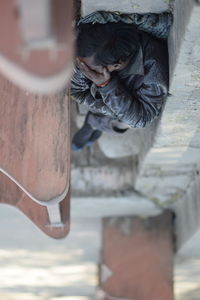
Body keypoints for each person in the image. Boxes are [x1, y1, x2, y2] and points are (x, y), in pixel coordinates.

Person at [71, 21, 169, 151]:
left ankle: (93, 124)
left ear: (116, 65)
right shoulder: (90, 51)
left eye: (89, 70)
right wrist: (107, 100)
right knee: (118, 112)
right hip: (113, 104)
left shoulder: (153, 69)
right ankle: (93, 123)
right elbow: (76, 92)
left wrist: (106, 85)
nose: (83, 70)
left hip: (129, 106)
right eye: (81, 66)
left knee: (125, 123)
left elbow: (142, 119)